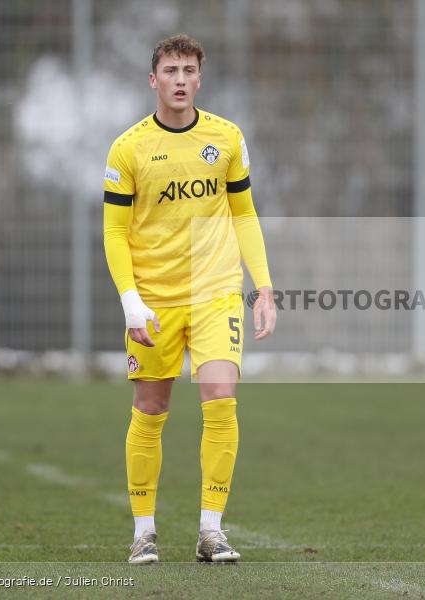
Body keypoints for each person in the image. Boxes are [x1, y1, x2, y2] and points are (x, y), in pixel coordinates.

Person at [102, 34, 276, 564]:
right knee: (151, 410)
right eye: (170, 70)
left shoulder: (226, 139)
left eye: (189, 70)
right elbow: (114, 231)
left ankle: (211, 531)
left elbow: (243, 213)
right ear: (153, 80)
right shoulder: (128, 147)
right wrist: (130, 299)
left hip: (216, 291)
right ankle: (144, 531)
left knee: (221, 398)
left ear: (200, 78)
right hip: (154, 299)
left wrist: (263, 286)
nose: (180, 79)